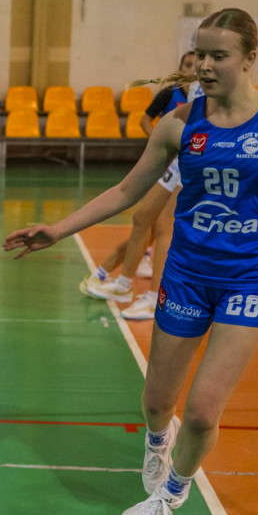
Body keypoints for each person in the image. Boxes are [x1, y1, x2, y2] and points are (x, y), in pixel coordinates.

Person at [5, 8, 258, 515]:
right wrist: (59, 230)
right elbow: (125, 192)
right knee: (159, 402)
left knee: (204, 411)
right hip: (187, 274)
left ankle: (169, 493)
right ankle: (158, 440)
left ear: (251, 59)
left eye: (218, 56)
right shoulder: (180, 122)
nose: (204, 65)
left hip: (252, 278)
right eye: (200, 54)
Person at [79, 51, 201, 321]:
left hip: (193, 162)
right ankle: (123, 285)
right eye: (198, 56)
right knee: (142, 216)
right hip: (178, 159)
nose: (201, 63)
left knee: (164, 229)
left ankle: (154, 299)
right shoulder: (188, 89)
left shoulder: (216, 90)